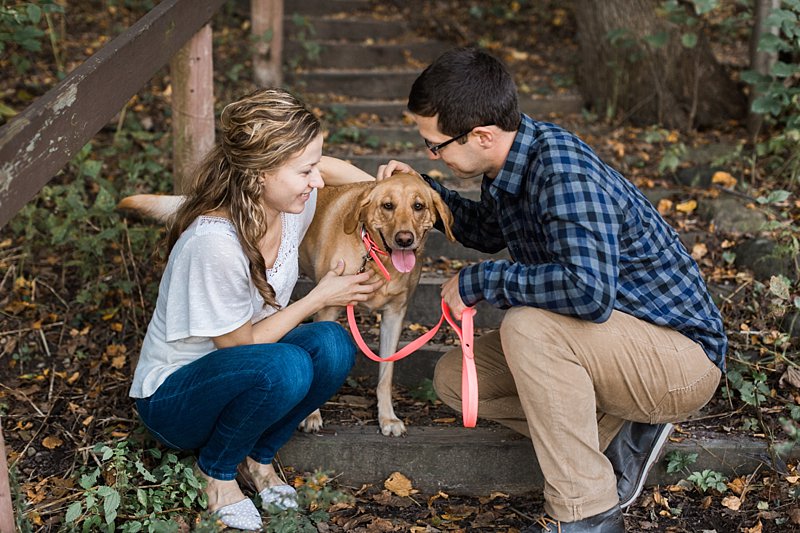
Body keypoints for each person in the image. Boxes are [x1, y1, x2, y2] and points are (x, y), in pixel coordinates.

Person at [377, 47, 726, 533]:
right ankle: (618, 431)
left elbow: (588, 292)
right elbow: (485, 229)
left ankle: (589, 513)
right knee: (456, 379)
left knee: (528, 326)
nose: (432, 153)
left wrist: (483, 280)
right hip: (608, 345)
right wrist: (423, 192)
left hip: (679, 357)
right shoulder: (510, 160)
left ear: (480, 135)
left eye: (436, 146)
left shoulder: (562, 171)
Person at [129, 88, 381, 530]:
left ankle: (258, 460)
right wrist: (318, 297)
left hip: (243, 380)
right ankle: (217, 473)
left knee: (333, 343)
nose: (318, 180)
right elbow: (238, 346)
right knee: (286, 366)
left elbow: (335, 170)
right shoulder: (214, 243)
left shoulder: (290, 204)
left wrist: (387, 191)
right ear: (261, 173)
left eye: (314, 167)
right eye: (305, 170)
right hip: (174, 401)